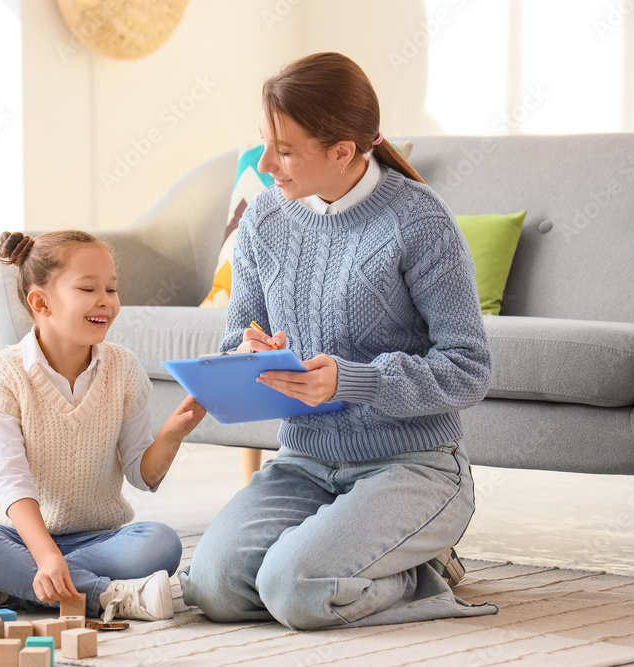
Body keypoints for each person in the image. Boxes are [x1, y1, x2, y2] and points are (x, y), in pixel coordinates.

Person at [177, 52, 498, 630]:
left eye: (285, 151)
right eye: (264, 143)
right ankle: (350, 560)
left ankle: (425, 569)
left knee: (293, 590)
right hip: (305, 461)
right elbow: (235, 339)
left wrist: (352, 380)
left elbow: (469, 368)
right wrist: (247, 358)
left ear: (343, 151)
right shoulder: (263, 219)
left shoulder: (419, 221)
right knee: (214, 588)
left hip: (413, 465)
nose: (265, 164)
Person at [0, 230, 206, 621]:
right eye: (88, 289)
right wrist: (44, 555)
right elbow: (11, 482)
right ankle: (105, 594)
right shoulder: (3, 374)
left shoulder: (125, 369)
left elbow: (141, 476)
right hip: (17, 536)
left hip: (96, 539)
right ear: (41, 302)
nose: (105, 300)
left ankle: (2, 586)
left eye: (111, 289)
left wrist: (172, 434)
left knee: (161, 543)